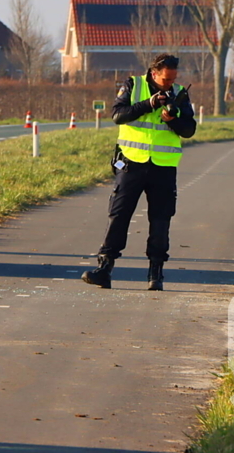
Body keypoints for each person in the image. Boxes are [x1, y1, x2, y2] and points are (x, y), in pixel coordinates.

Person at [83, 53, 196, 291]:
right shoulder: (133, 85)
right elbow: (118, 116)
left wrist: (172, 119)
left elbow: (189, 130)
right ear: (154, 73)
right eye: (165, 79)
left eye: (173, 78)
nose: (169, 83)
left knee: (161, 220)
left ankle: (156, 274)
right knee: (119, 215)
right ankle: (104, 269)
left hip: (163, 166)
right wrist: (149, 104)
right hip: (131, 163)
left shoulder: (180, 93)